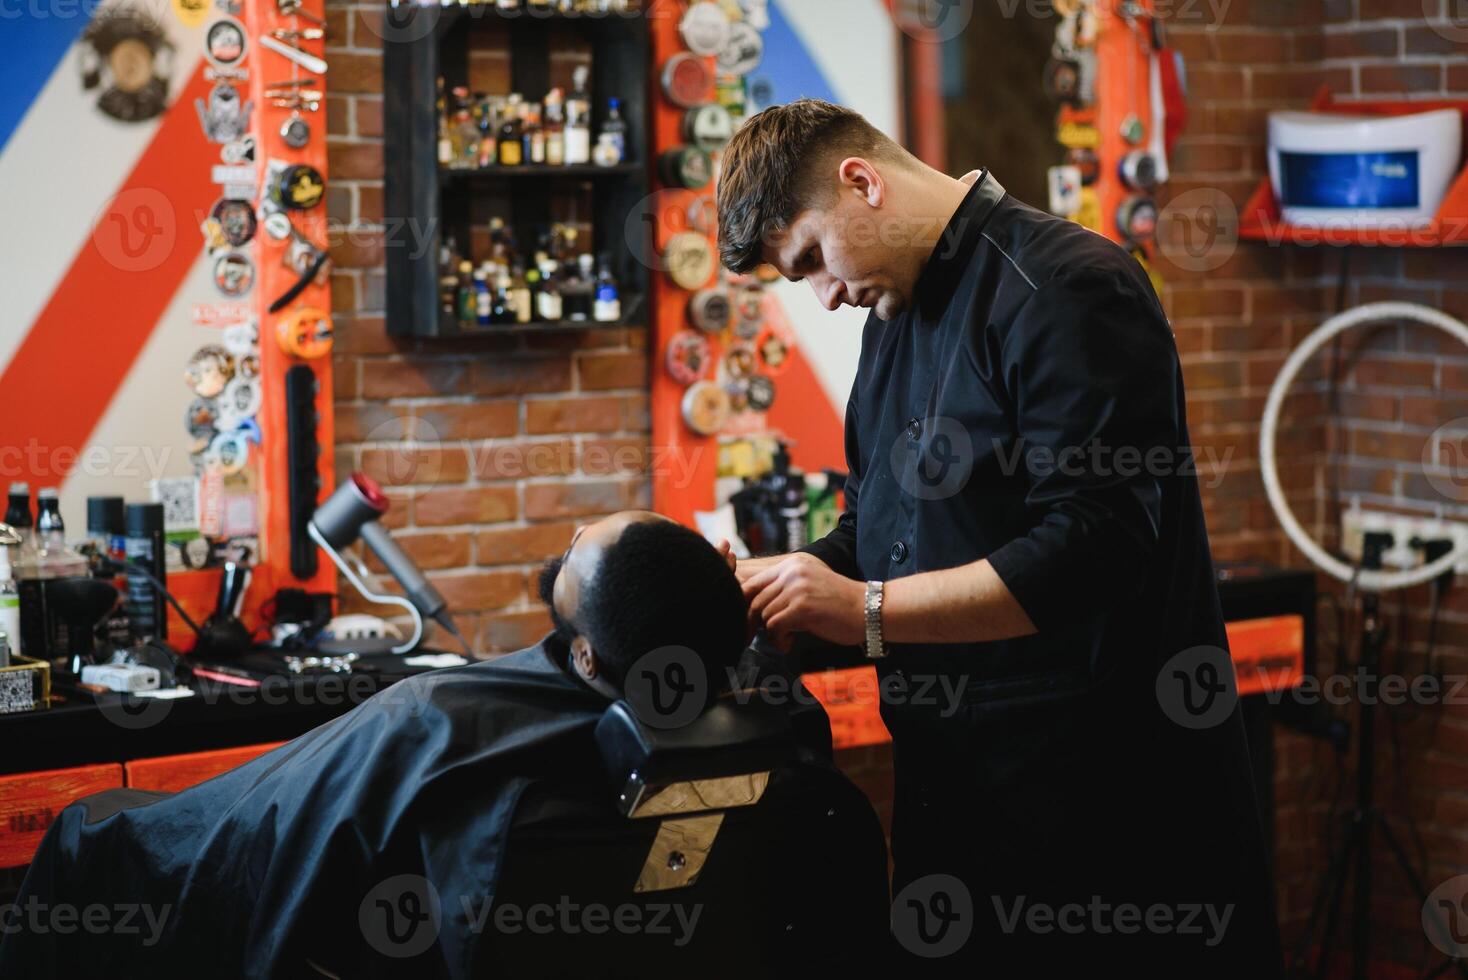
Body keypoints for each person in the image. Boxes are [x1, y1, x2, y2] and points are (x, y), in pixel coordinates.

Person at [717, 98, 1283, 973]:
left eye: (811, 262)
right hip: (958, 800)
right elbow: (880, 529)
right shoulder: (891, 324)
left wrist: (863, 610)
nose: (824, 297)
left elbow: (1091, 549)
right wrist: (770, 583)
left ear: (860, 181)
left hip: (1102, 816)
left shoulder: (1067, 285)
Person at [0, 512, 757, 977]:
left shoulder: (431, 714)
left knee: (91, 828)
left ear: (586, 657)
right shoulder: (754, 736)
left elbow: (263, 830)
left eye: (579, 547)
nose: (571, 535)